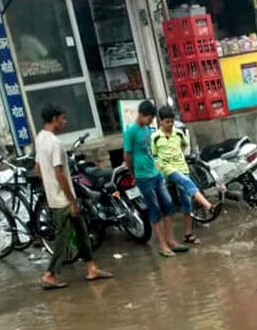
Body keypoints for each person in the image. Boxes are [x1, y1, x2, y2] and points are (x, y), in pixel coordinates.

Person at [34, 104, 112, 289]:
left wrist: (49, 186)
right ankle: (49, 274)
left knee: (82, 230)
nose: (65, 122)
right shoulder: (55, 143)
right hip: (63, 199)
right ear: (54, 119)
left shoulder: (40, 138)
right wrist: (71, 199)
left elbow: (38, 169)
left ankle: (91, 267)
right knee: (63, 236)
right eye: (63, 118)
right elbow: (59, 172)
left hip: (54, 196)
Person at [124, 100, 188, 257]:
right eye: (150, 118)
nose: (151, 121)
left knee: (167, 204)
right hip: (143, 176)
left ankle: (170, 240)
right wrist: (133, 173)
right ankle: (161, 244)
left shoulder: (147, 129)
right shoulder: (130, 131)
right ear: (142, 115)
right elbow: (127, 155)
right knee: (154, 210)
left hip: (156, 173)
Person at [151, 106, 218, 245]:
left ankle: (188, 234)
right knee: (187, 183)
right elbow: (155, 156)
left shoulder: (179, 133)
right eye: (167, 122)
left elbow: (184, 145)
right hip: (167, 169)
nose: (170, 125)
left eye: (172, 122)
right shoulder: (155, 137)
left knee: (187, 202)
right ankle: (209, 206)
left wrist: (177, 155)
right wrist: (161, 168)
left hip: (182, 167)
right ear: (161, 121)